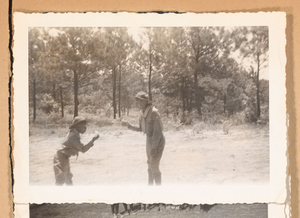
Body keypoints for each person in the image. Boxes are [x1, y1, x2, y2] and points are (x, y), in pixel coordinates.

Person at [122, 91, 165, 186]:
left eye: (139, 101)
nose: (137, 103)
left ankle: (159, 189)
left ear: (145, 102)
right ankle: (150, 186)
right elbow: (141, 129)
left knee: (154, 164)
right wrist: (128, 125)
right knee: (149, 164)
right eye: (136, 101)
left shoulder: (154, 112)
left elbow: (157, 132)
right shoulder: (142, 113)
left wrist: (154, 147)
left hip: (157, 141)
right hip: (149, 140)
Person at [53, 116, 99, 185]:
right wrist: (93, 140)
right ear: (77, 126)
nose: (85, 127)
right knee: (61, 179)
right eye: (83, 125)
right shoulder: (73, 136)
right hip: (60, 158)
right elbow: (83, 149)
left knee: (68, 178)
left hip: (64, 158)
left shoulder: (74, 133)